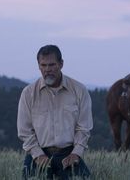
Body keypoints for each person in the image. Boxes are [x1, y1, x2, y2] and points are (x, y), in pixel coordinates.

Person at [17, 45, 93, 179]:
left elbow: (84, 128)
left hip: (68, 153)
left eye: (52, 65)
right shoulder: (28, 93)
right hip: (39, 153)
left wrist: (76, 153)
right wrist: (37, 154)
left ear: (61, 64)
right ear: (39, 66)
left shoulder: (79, 90)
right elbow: (24, 130)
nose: (47, 70)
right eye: (43, 65)